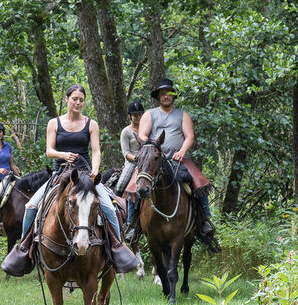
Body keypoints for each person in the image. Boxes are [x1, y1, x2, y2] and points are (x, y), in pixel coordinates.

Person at [16, 84, 137, 273]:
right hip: (60, 174)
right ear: (66, 99)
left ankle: (118, 248)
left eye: (81, 100)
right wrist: (63, 155)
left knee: (109, 208)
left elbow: (96, 152)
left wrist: (95, 170)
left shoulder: (91, 124)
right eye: (75, 99)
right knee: (31, 206)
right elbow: (49, 151)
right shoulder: (54, 123)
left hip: (84, 176)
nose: (78, 103)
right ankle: (25, 250)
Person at [136, 77, 215, 239]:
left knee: (199, 183)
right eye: (163, 93)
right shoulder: (149, 114)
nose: (166, 96)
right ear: (158, 96)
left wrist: (182, 151)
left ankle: (204, 220)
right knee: (132, 185)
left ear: (173, 96)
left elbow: (189, 136)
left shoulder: (182, 115)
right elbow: (142, 135)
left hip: (177, 160)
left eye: (169, 93)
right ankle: (133, 224)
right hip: (153, 160)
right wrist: (155, 150)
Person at [116, 100, 144, 234]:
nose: (138, 117)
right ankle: (129, 223)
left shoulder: (147, 128)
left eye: (140, 114)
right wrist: (136, 158)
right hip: (132, 161)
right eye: (135, 115)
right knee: (124, 185)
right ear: (130, 116)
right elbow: (125, 152)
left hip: (147, 161)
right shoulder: (126, 132)